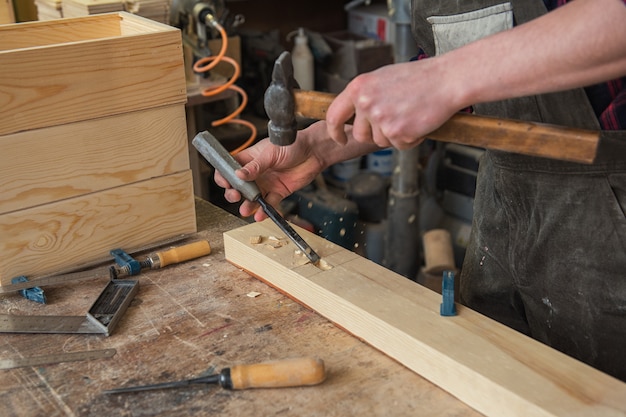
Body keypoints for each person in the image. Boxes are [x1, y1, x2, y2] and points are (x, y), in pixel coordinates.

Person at [214, 0, 626, 381]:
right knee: (488, 372)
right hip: (506, 190)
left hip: (610, 205)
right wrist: (318, 146)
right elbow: (462, 73)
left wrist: (446, 78)